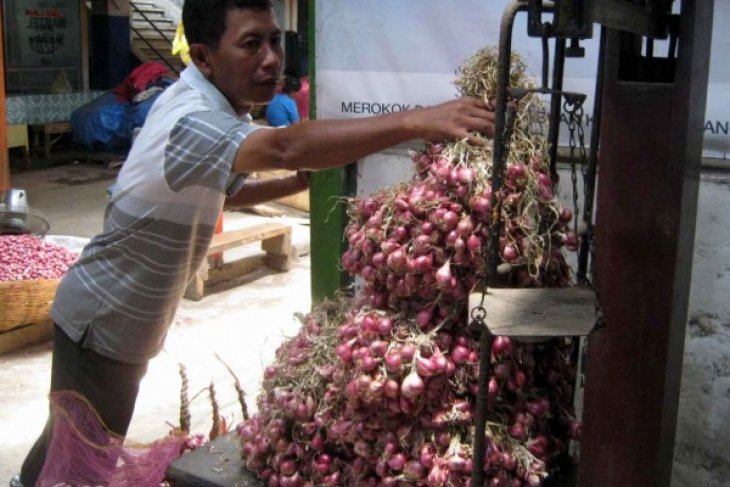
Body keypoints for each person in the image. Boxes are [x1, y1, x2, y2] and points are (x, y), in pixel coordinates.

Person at [13, 0, 495, 485]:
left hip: (120, 319)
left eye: (274, 40)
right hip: (103, 320)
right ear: (203, 56)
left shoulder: (208, 106)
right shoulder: (192, 120)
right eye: (250, 44)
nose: (270, 58)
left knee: (68, 443)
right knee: (80, 459)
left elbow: (230, 189)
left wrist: (299, 183)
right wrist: (418, 120)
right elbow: (283, 146)